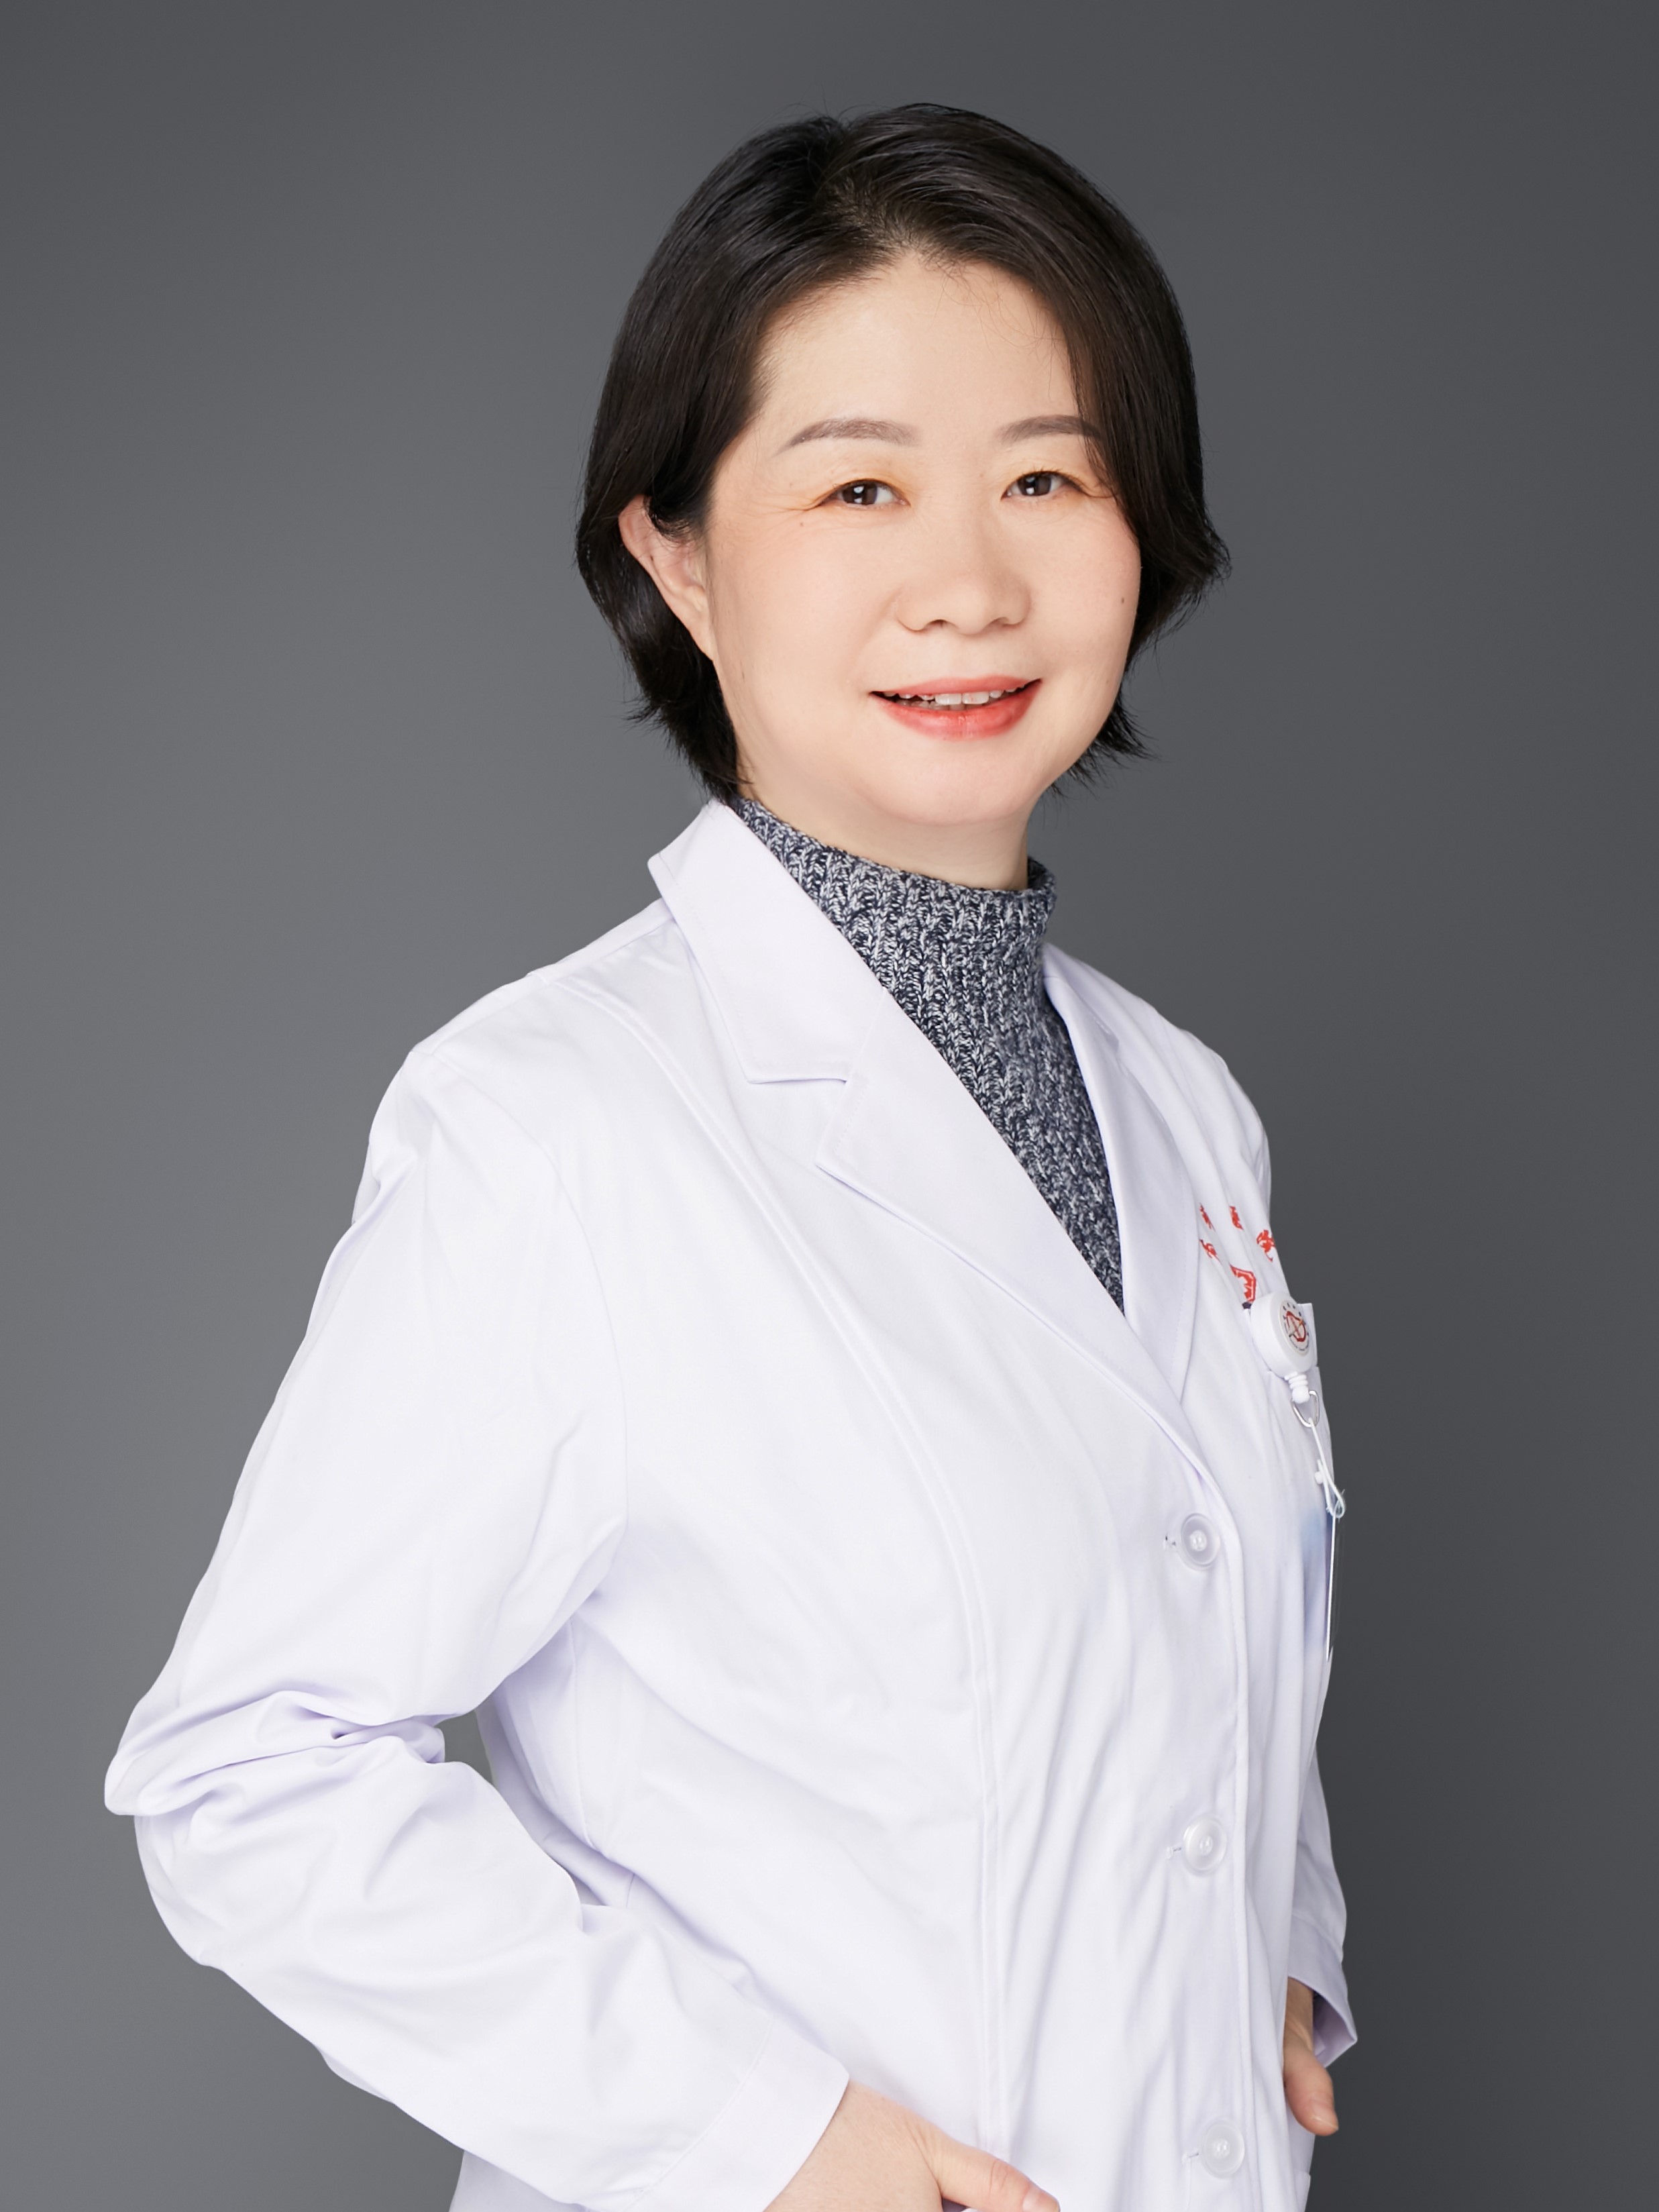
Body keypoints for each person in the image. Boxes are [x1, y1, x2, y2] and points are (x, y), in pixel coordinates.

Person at [107, 105, 1352, 2212]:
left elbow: (1178, 1599)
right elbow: (248, 1772)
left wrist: (1273, 1946)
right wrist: (761, 2138)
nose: (969, 582)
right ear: (678, 556)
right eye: (859, 486)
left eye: (1046, 478)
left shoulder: (1179, 1104)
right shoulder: (554, 1122)